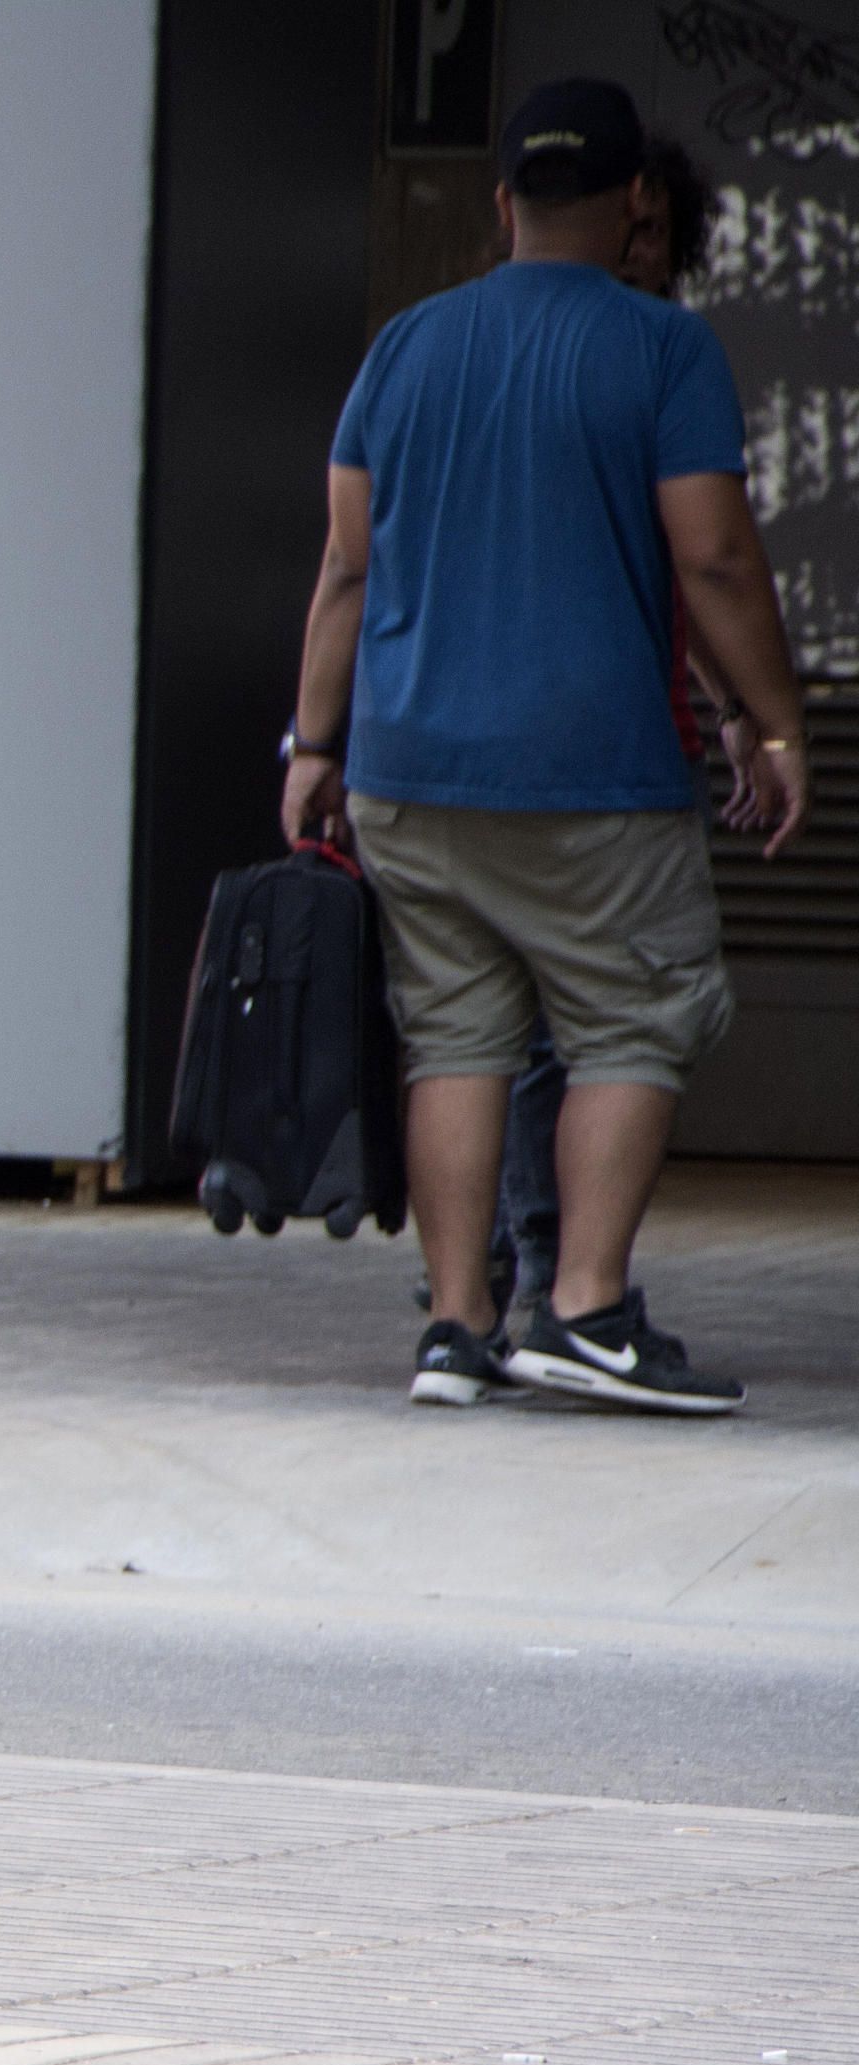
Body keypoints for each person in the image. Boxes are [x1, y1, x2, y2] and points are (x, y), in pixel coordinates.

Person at [286, 77, 805, 1416]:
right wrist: (777, 720)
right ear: (638, 200)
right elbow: (716, 559)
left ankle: (456, 1328)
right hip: (591, 774)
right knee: (634, 1017)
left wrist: (312, 741)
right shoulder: (659, 352)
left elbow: (346, 568)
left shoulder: (401, 349)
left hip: (408, 770)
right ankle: (584, 1308)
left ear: (503, 200)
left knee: (454, 1038)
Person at [488, 130, 763, 1332]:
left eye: (653, 240)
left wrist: (733, 705)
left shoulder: (646, 360)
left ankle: (504, 1281)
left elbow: (682, 577)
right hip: (577, 751)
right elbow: (702, 559)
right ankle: (548, 1276)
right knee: (567, 1028)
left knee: (530, 1030)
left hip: (611, 734)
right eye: (628, 230)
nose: (636, 256)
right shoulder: (620, 365)